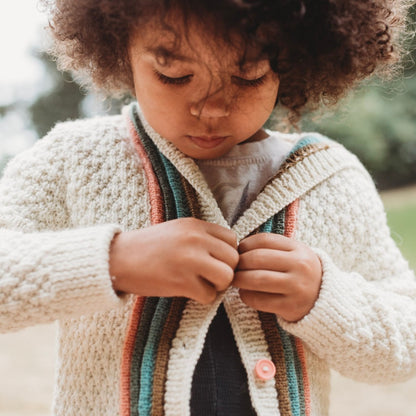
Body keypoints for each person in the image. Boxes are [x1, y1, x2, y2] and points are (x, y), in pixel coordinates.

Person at [1, 0, 415, 415]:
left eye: (247, 77)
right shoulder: (74, 159)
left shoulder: (332, 179)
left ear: (295, 60)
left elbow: (407, 342)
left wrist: (324, 298)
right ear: (119, 49)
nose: (211, 108)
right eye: (174, 75)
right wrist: (115, 261)